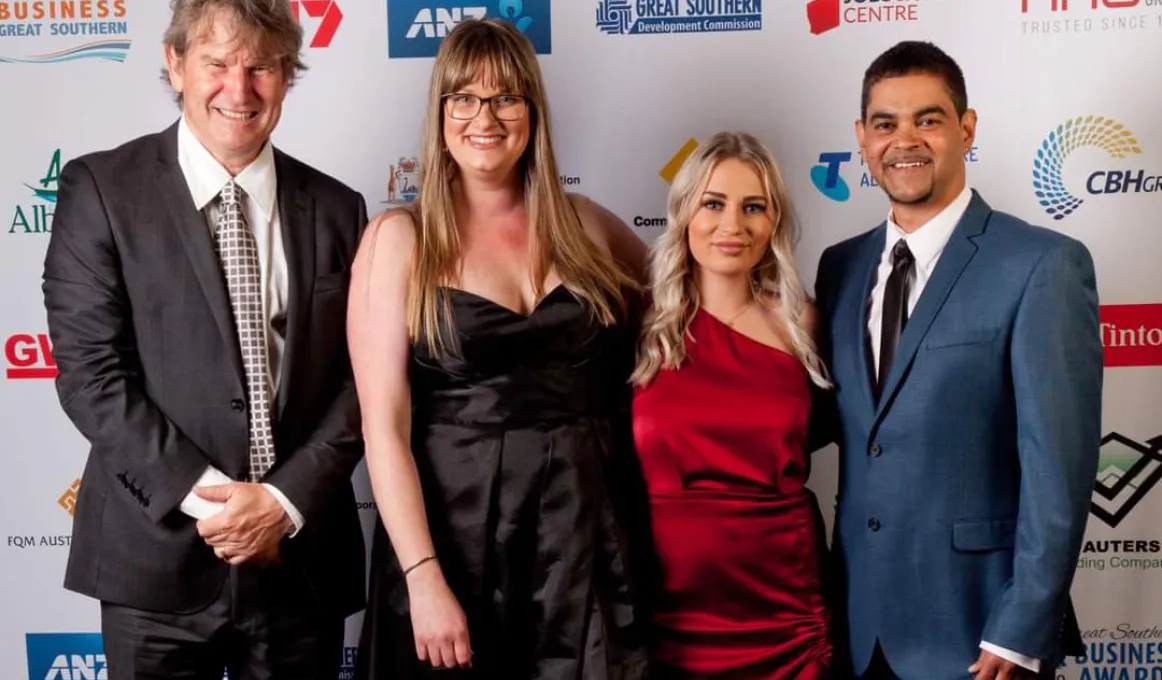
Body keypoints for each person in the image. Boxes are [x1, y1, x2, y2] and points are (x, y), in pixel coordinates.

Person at [40, 0, 367, 677]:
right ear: (175, 64)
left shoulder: (340, 209)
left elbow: (365, 378)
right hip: (153, 561)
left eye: (262, 67)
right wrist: (220, 503)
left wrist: (279, 502)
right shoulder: (99, 190)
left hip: (299, 564)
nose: (238, 90)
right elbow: (91, 376)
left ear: (287, 74)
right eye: (216, 63)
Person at [347, 18, 649, 679]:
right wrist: (422, 578)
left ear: (533, 112)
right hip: (454, 546)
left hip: (583, 538)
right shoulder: (400, 239)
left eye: (506, 97)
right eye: (465, 98)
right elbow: (383, 427)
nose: (485, 117)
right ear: (441, 112)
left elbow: (684, 309)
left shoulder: (589, 227)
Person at [812, 40, 1101, 680]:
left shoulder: (1042, 265)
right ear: (862, 138)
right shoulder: (839, 268)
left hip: (980, 639)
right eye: (885, 123)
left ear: (966, 129)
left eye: (929, 119)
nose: (904, 139)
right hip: (858, 633)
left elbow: (1060, 471)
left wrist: (1022, 627)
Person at [628, 131, 834, 678]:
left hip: (783, 608)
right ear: (684, 213)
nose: (732, 226)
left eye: (753, 208)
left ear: (774, 222)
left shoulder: (804, 323)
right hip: (665, 610)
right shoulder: (639, 324)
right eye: (713, 204)